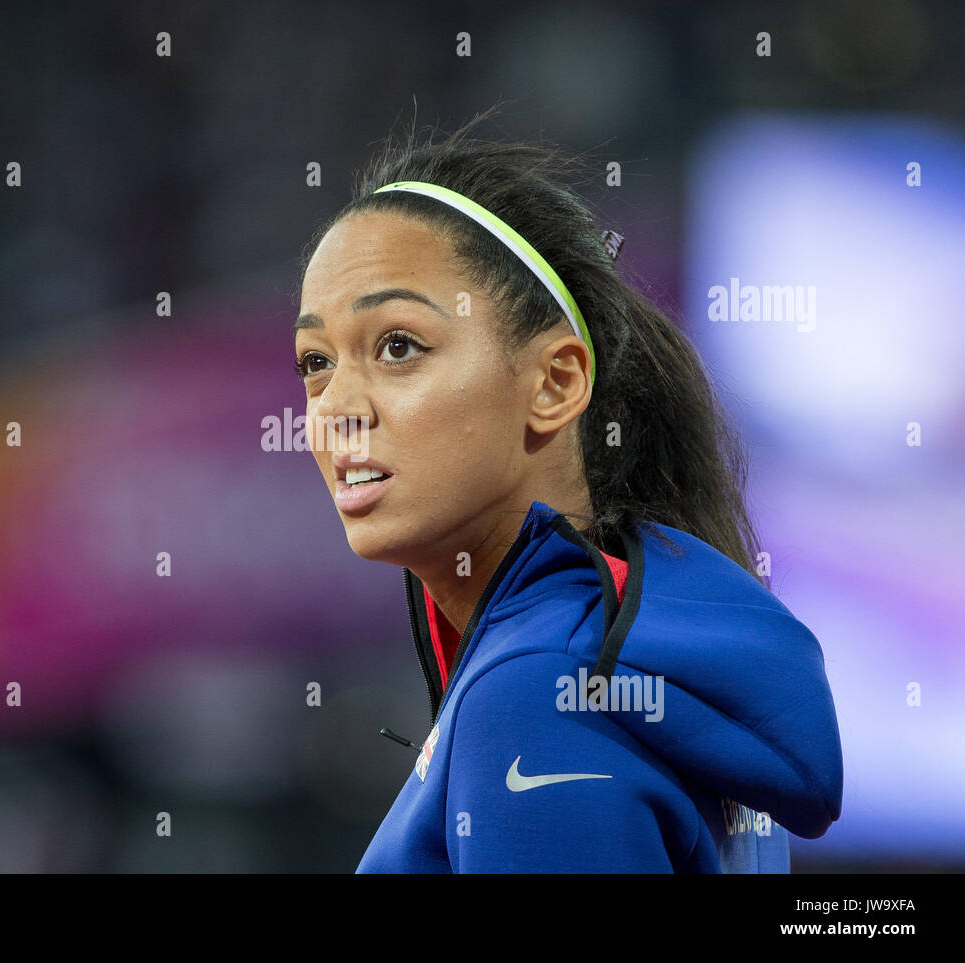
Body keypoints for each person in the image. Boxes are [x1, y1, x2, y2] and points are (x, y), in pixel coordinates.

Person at [292, 108, 843, 872]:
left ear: (554, 382)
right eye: (314, 362)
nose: (335, 411)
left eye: (397, 345)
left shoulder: (539, 692)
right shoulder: (623, 660)